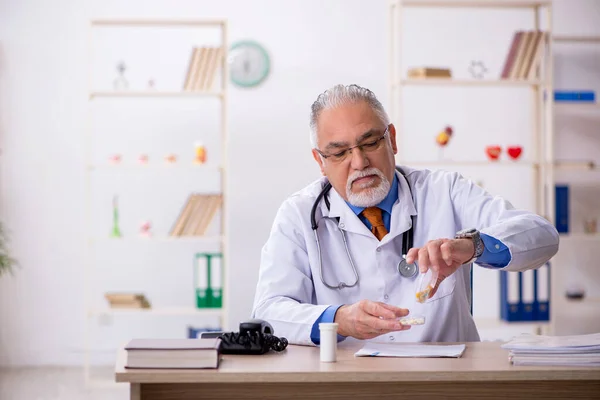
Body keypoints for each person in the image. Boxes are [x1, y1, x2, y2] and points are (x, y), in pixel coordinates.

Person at [251, 84, 559, 346]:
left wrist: (473, 246)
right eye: (340, 152)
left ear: (392, 139)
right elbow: (268, 311)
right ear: (320, 161)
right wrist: (338, 320)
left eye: (370, 142)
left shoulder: (444, 190)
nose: (359, 162)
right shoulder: (300, 214)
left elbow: (542, 235)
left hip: (446, 385)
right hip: (350, 386)